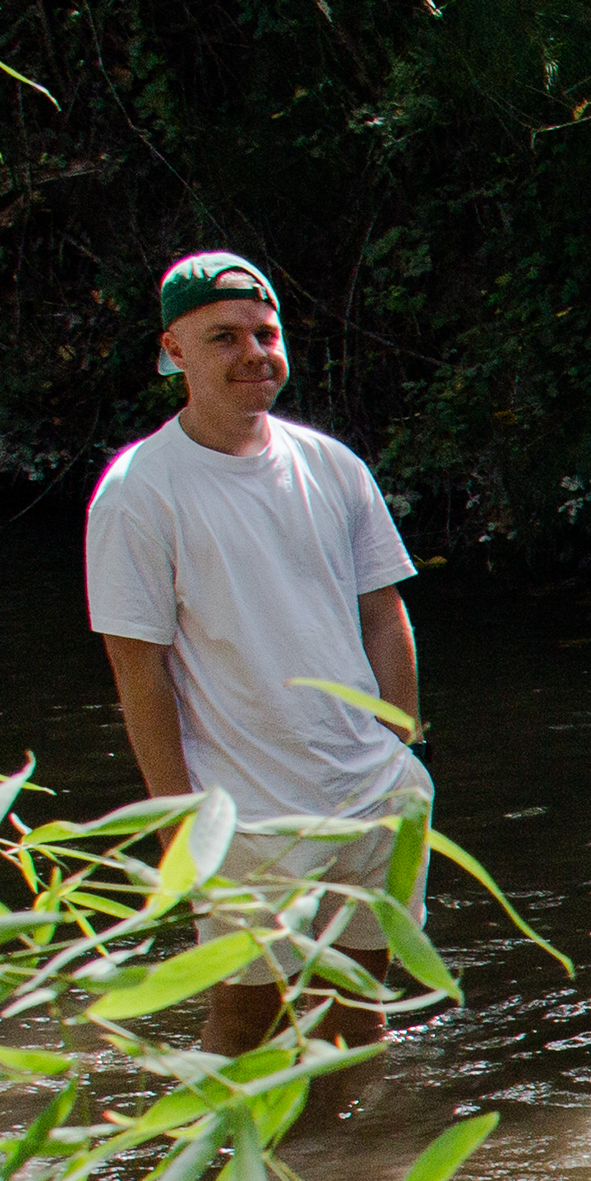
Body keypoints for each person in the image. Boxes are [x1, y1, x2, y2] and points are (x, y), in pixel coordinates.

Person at [84, 249, 433, 1061]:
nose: (253, 354)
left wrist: (405, 750)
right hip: (245, 814)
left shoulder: (332, 465)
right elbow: (138, 673)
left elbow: (383, 613)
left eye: (264, 333)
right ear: (173, 352)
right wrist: (180, 828)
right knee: (245, 1020)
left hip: (372, 792)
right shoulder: (139, 490)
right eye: (223, 338)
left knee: (358, 1011)